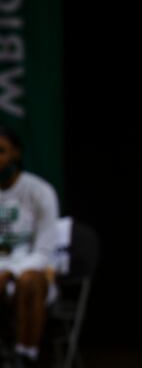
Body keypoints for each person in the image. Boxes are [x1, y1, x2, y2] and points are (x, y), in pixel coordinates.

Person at [0, 127, 59, 367]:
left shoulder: (39, 191)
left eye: (1, 151)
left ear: (16, 154)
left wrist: (11, 272)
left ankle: (26, 356)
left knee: (27, 282)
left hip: (32, 269)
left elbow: (44, 251)